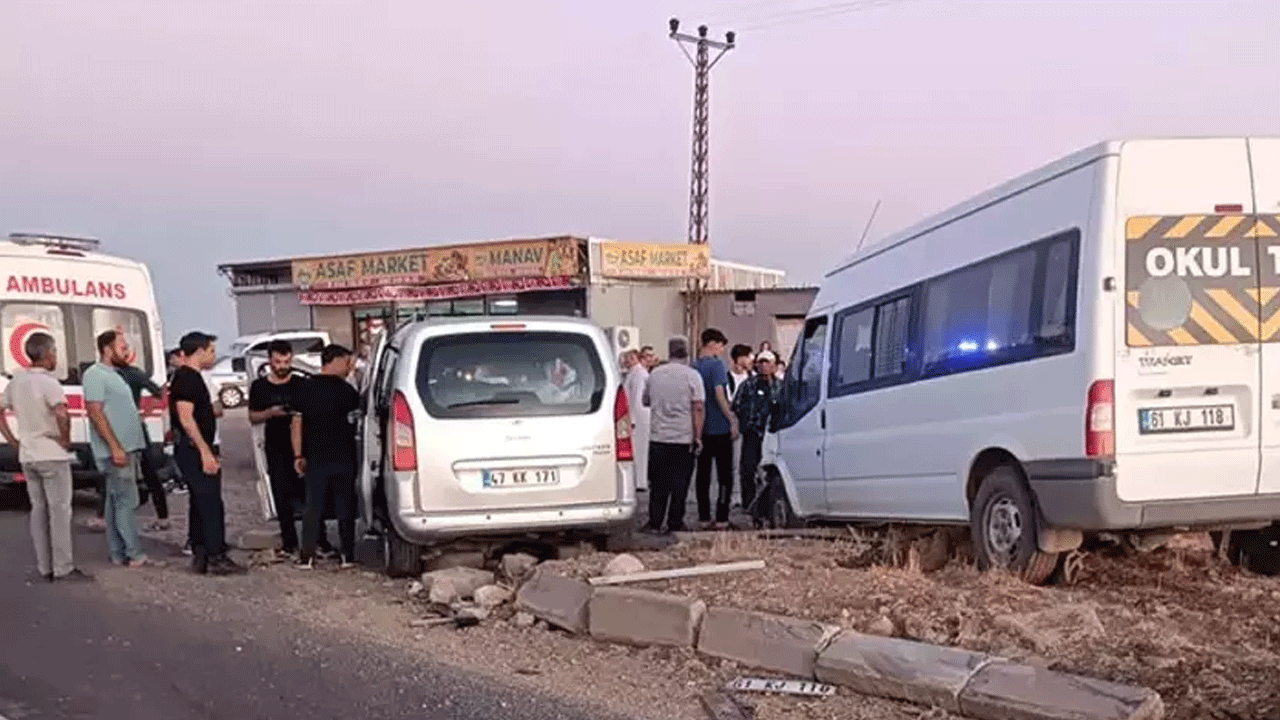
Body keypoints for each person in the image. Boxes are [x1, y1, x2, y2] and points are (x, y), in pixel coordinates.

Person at [0, 333, 91, 582]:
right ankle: (63, 567)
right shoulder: (49, 383)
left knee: (38, 510)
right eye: (54, 353)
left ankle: (44, 566)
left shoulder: (16, 382)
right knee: (60, 510)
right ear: (48, 354)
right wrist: (65, 439)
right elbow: (62, 414)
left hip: (28, 454)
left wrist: (12, 439)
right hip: (51, 453)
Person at [170, 331, 245, 575]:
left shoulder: (193, 378)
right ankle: (215, 555)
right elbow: (186, 418)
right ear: (199, 351)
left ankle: (200, 554)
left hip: (196, 447)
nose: (213, 355)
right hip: (194, 449)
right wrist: (205, 451)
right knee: (211, 503)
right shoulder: (187, 379)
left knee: (200, 502)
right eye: (211, 351)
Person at [83, 330, 156, 568]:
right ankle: (134, 553)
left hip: (126, 449)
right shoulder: (95, 375)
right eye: (122, 346)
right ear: (107, 349)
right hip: (116, 452)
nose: (127, 351)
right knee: (126, 501)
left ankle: (118, 552)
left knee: (115, 502)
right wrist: (115, 446)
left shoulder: (116, 375)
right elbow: (95, 412)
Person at [291, 344, 363, 569]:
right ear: (336, 360)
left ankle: (307, 557)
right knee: (345, 507)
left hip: (315, 457)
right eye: (347, 362)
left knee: (313, 507)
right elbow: (359, 422)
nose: (349, 367)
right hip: (344, 457)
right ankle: (347, 556)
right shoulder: (347, 391)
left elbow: (296, 423)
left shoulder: (305, 388)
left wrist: (298, 454)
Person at [248, 340, 307, 557]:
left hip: (302, 446)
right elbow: (252, 417)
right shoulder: (259, 387)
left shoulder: (301, 384)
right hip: (275, 446)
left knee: (308, 494)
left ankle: (316, 540)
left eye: (286, 361)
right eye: (277, 361)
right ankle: (289, 541)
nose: (282, 366)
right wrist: (269, 413)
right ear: (269, 361)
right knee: (281, 496)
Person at [641, 335, 705, 534]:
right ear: (686, 353)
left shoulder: (655, 374)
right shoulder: (692, 376)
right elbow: (698, 407)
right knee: (680, 484)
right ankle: (675, 522)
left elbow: (646, 401)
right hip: (682, 438)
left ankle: (654, 521)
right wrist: (698, 437)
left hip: (658, 438)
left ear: (669, 352)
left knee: (658, 484)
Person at [116, 349, 168, 531]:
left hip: (121, 426)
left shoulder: (118, 374)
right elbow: (159, 392)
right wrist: (143, 415)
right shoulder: (133, 373)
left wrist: (143, 415)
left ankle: (109, 517)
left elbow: (159, 392)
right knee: (149, 470)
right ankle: (163, 516)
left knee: (115, 471)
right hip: (134, 425)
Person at [692, 328, 739, 529]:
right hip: (719, 426)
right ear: (713, 344)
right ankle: (722, 517)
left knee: (702, 475)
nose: (721, 351)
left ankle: (703, 517)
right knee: (724, 476)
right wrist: (731, 419)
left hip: (700, 428)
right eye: (721, 346)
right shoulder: (716, 365)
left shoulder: (693, 366)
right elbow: (720, 394)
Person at [731, 350, 779, 518]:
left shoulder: (780, 386)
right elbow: (736, 405)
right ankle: (748, 503)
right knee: (747, 469)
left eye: (768, 362)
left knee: (770, 471)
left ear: (774, 365)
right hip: (752, 433)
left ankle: (768, 506)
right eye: (761, 362)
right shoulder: (748, 385)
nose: (764, 366)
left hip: (773, 435)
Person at [726, 343, 754, 508]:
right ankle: (735, 495)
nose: (751, 360)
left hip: (750, 425)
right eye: (748, 356)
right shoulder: (727, 378)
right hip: (735, 421)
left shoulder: (752, 376)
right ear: (739, 358)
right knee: (735, 462)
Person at [620, 349, 650, 492]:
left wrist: (631, 419)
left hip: (638, 417)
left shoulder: (639, 374)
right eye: (627, 357)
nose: (628, 360)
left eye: (632, 357)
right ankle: (637, 480)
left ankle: (640, 481)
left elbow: (637, 399)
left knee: (639, 450)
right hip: (635, 416)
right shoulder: (633, 373)